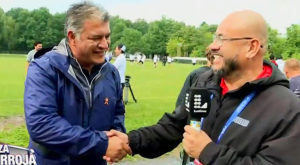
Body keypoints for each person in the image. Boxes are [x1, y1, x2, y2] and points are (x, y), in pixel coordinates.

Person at [105, 10, 300, 164]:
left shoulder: (286, 108)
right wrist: (130, 141)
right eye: (215, 38)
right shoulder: (206, 82)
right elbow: (173, 128)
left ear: (251, 47)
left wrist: (208, 152)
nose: (212, 47)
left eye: (222, 39)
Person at [24, 2, 130, 165]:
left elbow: (117, 112)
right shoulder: (44, 68)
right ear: (73, 37)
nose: (105, 44)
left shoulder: (111, 73)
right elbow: (42, 125)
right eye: (96, 38)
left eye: (107, 36)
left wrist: (118, 137)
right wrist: (102, 144)